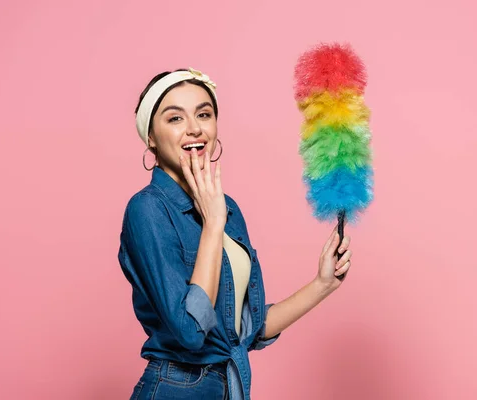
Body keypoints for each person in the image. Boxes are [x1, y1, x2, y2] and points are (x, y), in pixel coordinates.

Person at [118, 67, 353, 400]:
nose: (195, 128)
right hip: (177, 389)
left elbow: (246, 332)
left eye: (204, 114)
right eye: (175, 119)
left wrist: (322, 284)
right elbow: (190, 331)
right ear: (151, 138)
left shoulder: (227, 208)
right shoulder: (148, 210)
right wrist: (212, 225)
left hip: (230, 387)